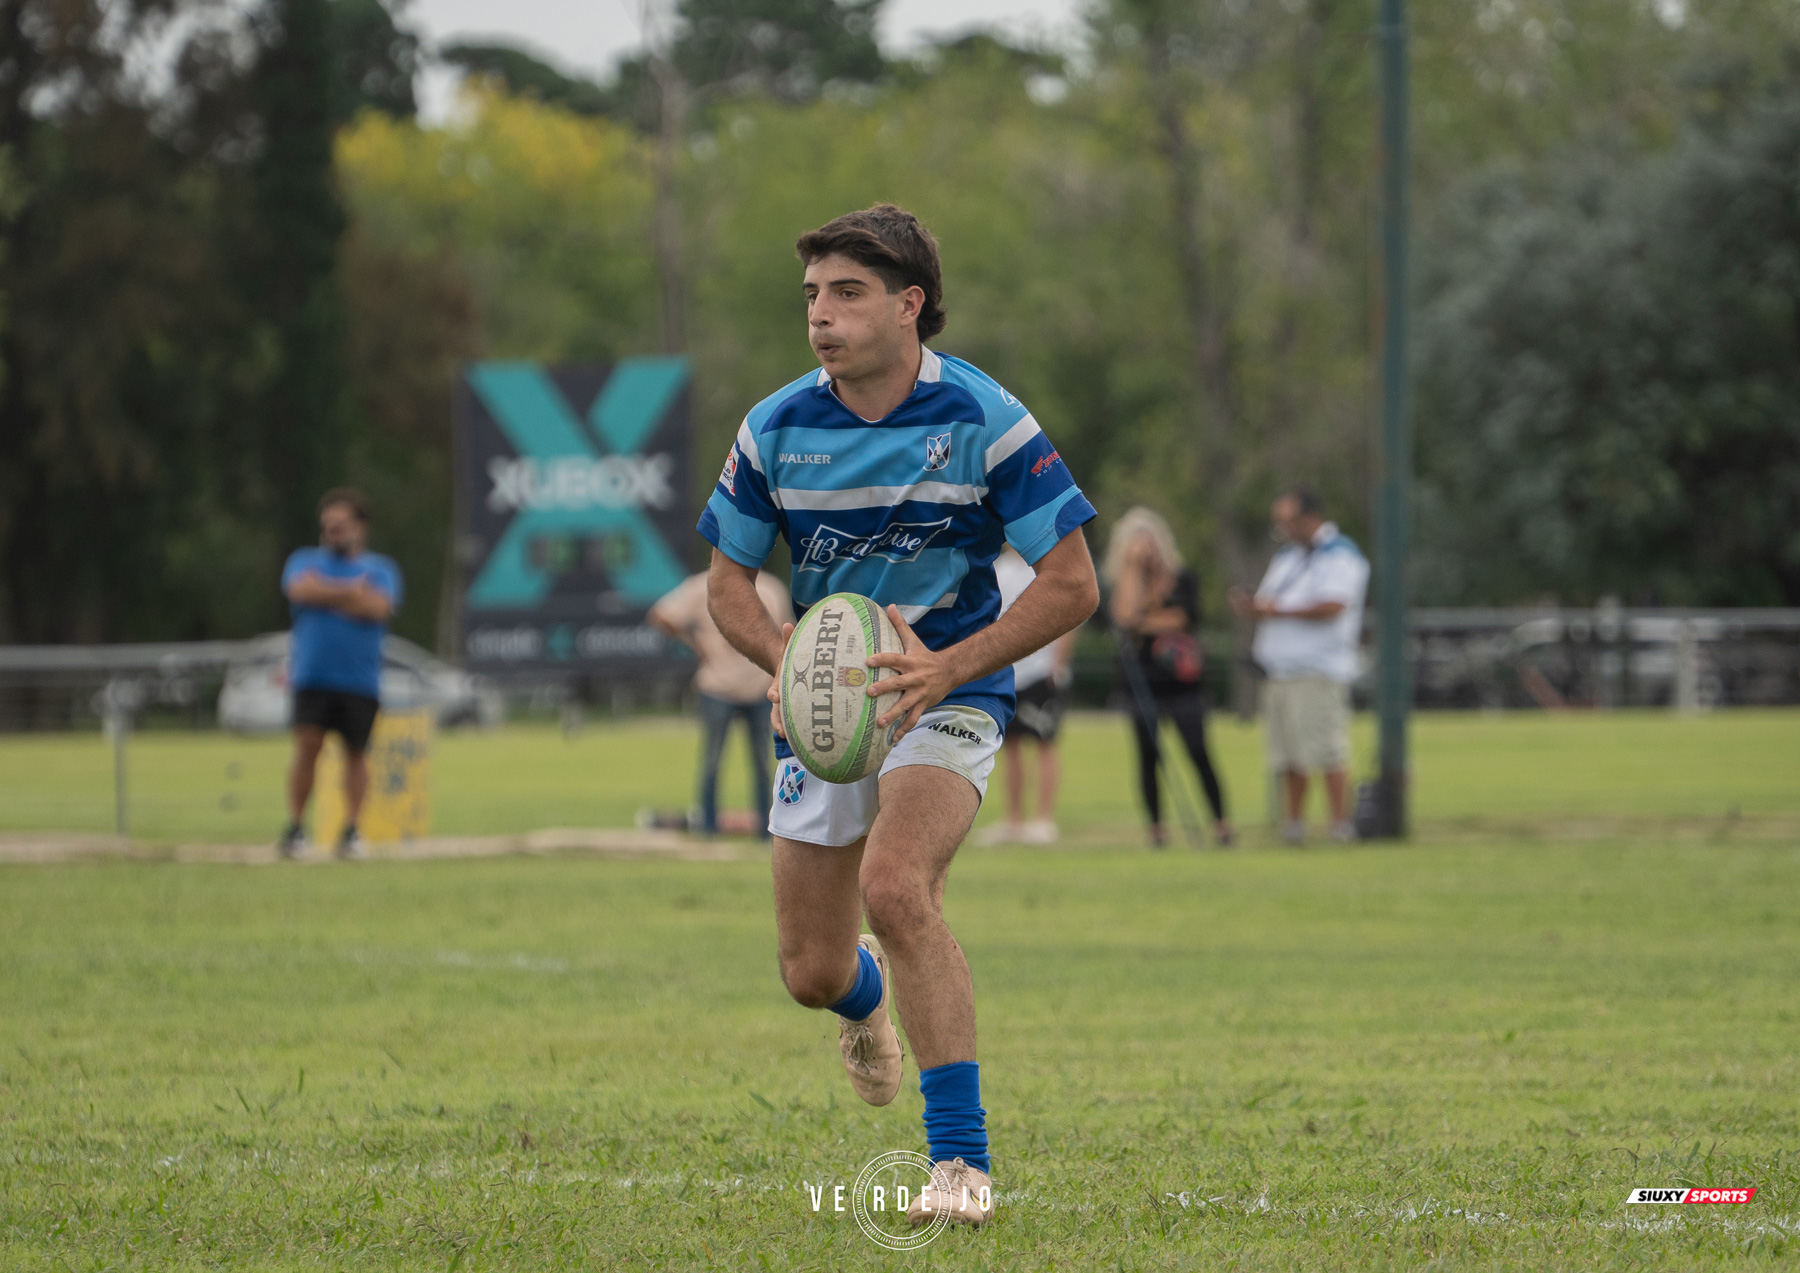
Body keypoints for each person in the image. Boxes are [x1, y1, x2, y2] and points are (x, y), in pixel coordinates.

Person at [698, 204, 1099, 1228]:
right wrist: (795, 668)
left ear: (909, 303)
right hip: (831, 713)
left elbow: (1070, 584)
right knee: (811, 970)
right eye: (811, 296)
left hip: (949, 692)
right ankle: (864, 1000)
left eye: (846, 293)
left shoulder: (985, 419)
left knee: (896, 883)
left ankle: (960, 1165)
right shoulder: (777, 427)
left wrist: (946, 669)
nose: (820, 317)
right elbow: (729, 588)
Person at [1229, 486, 1370, 845]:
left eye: (1289, 521)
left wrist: (1274, 611)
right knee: (1288, 755)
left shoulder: (1341, 555)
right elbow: (1270, 600)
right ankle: (1294, 826)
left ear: (1311, 517)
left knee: (1326, 750)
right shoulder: (1288, 556)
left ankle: (1340, 824)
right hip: (1280, 670)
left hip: (1317, 669)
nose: (1284, 529)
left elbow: (1334, 605)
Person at [277, 489, 402, 861]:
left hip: (360, 680)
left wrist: (324, 593)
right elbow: (299, 590)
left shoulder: (381, 569)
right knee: (307, 749)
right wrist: (350, 591)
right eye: (328, 527)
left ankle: (352, 830)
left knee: (356, 755)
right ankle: (296, 827)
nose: (334, 532)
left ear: (360, 527)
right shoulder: (303, 560)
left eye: (341, 525)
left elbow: (378, 607)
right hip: (312, 677)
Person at [1103, 507, 1233, 848]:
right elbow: (1122, 616)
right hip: (1142, 682)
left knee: (1197, 750)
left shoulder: (1182, 578)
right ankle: (1157, 829)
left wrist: (1142, 623)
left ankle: (1221, 823)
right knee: (1148, 755)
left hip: (1182, 680)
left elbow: (1183, 618)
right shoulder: (1124, 582)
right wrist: (1132, 569)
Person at [648, 569, 791, 835]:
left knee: (764, 762)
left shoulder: (771, 588)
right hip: (717, 685)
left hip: (761, 687)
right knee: (713, 761)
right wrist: (695, 646)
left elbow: (787, 637)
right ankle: (709, 827)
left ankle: (768, 828)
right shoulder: (703, 585)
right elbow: (662, 614)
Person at [979, 546, 1077, 845]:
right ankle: (1014, 820)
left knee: (1045, 743)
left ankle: (1043, 820)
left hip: (1040, 671)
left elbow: (1068, 614)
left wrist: (1058, 664)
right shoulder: (996, 569)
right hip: (1008, 672)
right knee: (1011, 746)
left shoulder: (1046, 566)